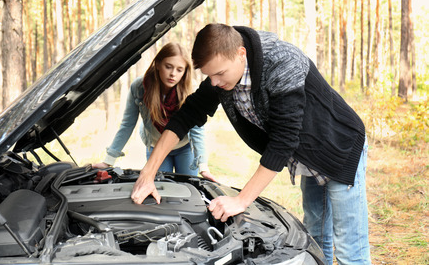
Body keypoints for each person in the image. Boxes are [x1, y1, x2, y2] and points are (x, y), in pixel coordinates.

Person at [130, 24, 371, 265]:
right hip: (308, 156)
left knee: (350, 250)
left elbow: (283, 140)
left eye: (220, 74)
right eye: (208, 76)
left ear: (241, 54)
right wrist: (148, 173)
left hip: (339, 149)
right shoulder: (222, 72)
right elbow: (187, 115)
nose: (213, 83)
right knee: (316, 238)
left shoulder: (282, 62)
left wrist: (240, 201)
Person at [93, 42, 215, 181]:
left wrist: (203, 167)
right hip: (155, 146)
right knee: (160, 188)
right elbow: (127, 125)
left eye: (179, 70)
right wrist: (109, 160)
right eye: (168, 67)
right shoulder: (140, 87)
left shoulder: (190, 89)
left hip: (184, 147)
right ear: (157, 64)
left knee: (188, 187)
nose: (173, 74)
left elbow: (196, 129)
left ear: (185, 71)